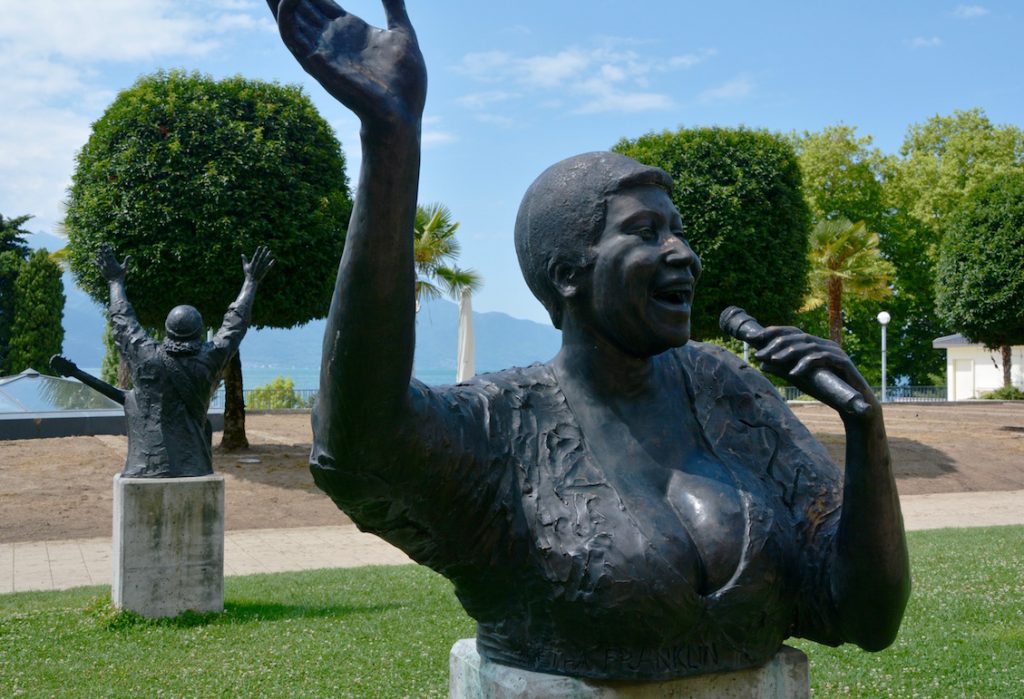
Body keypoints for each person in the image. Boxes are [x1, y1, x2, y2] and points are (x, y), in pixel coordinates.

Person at [268, 0, 910, 681]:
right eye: (644, 232)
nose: (683, 253)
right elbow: (361, 437)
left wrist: (865, 433)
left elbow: (866, 615)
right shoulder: (506, 425)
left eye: (679, 229)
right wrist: (392, 142)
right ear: (568, 272)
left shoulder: (727, 390)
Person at [98, 244, 274, 478]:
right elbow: (235, 323)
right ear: (199, 331)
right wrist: (251, 282)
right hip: (195, 464)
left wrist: (115, 282)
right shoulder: (210, 358)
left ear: (167, 330)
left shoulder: (145, 355)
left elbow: (122, 319)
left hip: (147, 464)